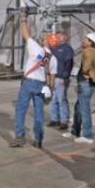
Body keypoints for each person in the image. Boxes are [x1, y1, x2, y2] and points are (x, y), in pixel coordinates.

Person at [10, 11, 57, 149]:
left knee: (20, 110)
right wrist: (50, 90)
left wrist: (23, 19)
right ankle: (38, 140)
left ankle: (20, 137)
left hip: (28, 83)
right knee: (39, 112)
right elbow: (52, 75)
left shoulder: (36, 49)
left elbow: (26, 35)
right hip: (42, 86)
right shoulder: (52, 58)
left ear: (46, 41)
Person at [63, 32, 95, 144]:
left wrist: (85, 74)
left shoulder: (89, 51)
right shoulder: (94, 51)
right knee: (78, 109)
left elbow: (86, 67)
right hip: (87, 84)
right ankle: (75, 131)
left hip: (85, 84)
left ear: (90, 42)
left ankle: (88, 135)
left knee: (84, 109)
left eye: (85, 39)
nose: (83, 40)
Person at [47, 31, 74, 130]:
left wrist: (65, 77)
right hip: (53, 77)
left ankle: (64, 120)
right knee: (53, 99)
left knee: (61, 99)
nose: (57, 37)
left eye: (59, 36)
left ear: (64, 37)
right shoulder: (54, 48)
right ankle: (55, 119)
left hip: (61, 78)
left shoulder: (67, 49)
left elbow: (69, 63)